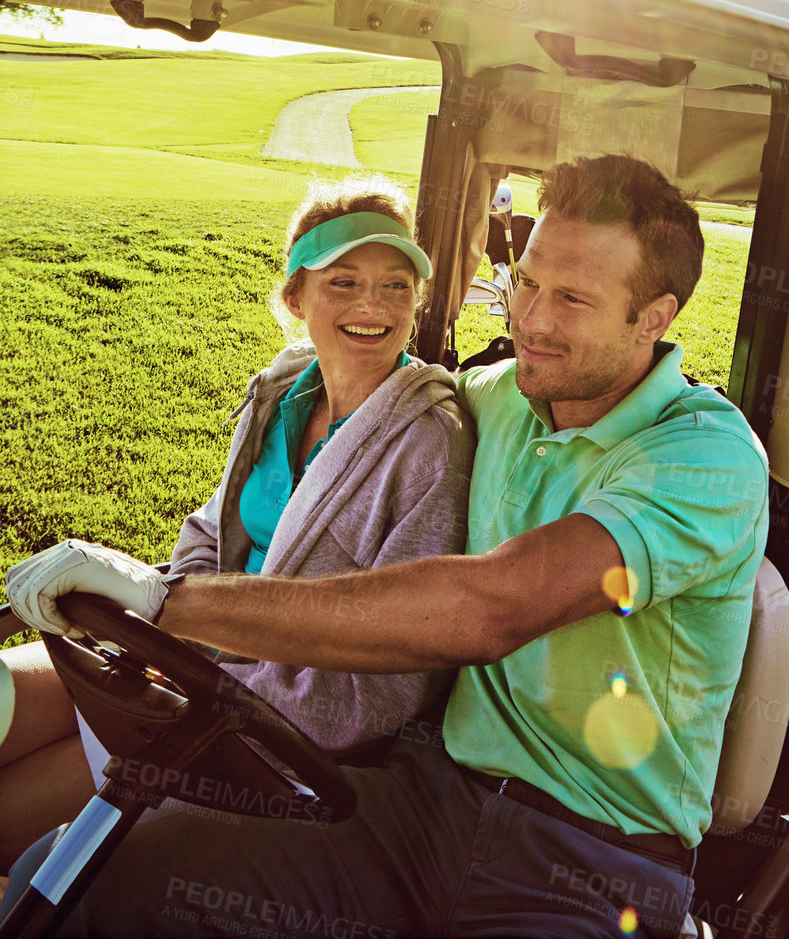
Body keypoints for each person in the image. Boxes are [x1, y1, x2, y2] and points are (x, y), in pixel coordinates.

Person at [5, 155, 770, 939]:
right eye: (528, 281)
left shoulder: (703, 457)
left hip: (591, 861)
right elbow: (381, 400)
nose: (531, 320)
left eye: (571, 299)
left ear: (654, 317)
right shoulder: (504, 396)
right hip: (422, 803)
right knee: (115, 874)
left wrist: (171, 603)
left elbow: (494, 606)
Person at [0, 175, 473, 870]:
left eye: (396, 285)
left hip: (251, 724)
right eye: (343, 282)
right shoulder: (283, 392)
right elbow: (209, 534)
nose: (374, 305)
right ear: (295, 297)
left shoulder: (430, 440)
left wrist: (197, 672)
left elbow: (390, 681)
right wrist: (173, 628)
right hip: (177, 660)